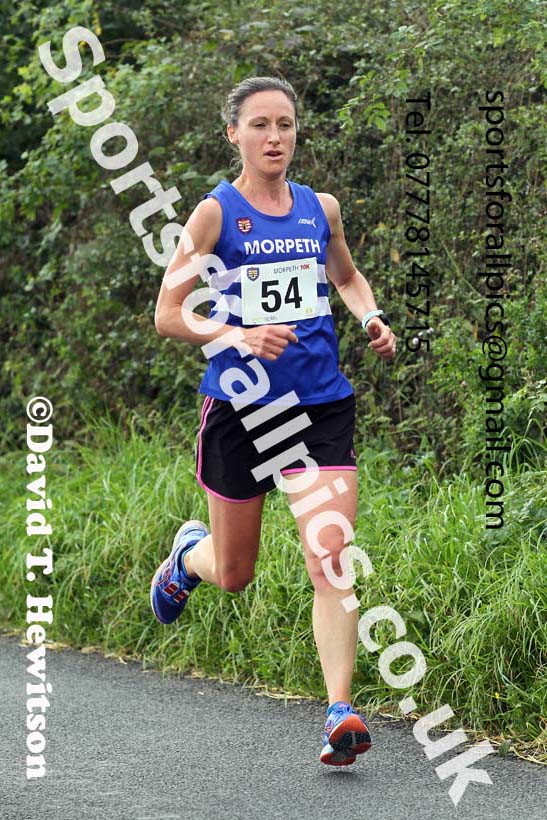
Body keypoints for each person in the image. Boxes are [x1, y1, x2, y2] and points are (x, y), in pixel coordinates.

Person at [150, 76, 396, 766]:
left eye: (284, 124)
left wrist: (368, 314)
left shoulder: (320, 208)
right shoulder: (213, 216)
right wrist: (235, 334)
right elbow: (168, 315)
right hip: (239, 410)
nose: (274, 137)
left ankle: (339, 713)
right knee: (233, 573)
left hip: (319, 405)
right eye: (259, 125)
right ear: (233, 134)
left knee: (331, 554)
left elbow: (345, 278)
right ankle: (184, 559)